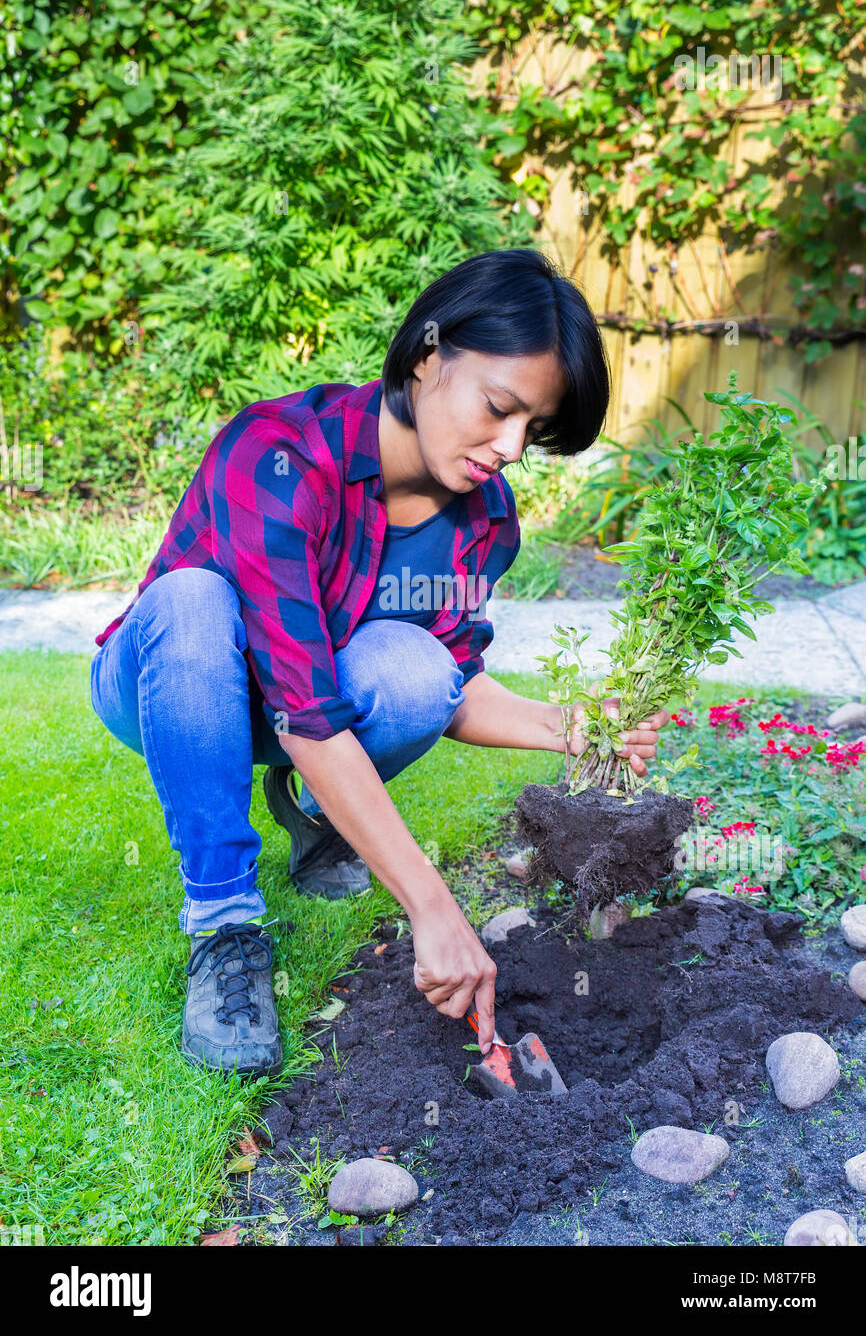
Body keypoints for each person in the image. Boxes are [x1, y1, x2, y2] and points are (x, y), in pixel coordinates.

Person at [89, 248, 669, 1079]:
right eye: (500, 408)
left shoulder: (484, 521)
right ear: (430, 357)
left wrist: (569, 728)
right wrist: (434, 908)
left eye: (532, 432)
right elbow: (308, 711)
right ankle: (223, 922)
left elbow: (449, 687)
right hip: (170, 680)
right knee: (193, 600)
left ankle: (320, 816)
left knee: (419, 665)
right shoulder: (280, 453)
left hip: (297, 712)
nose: (509, 446)